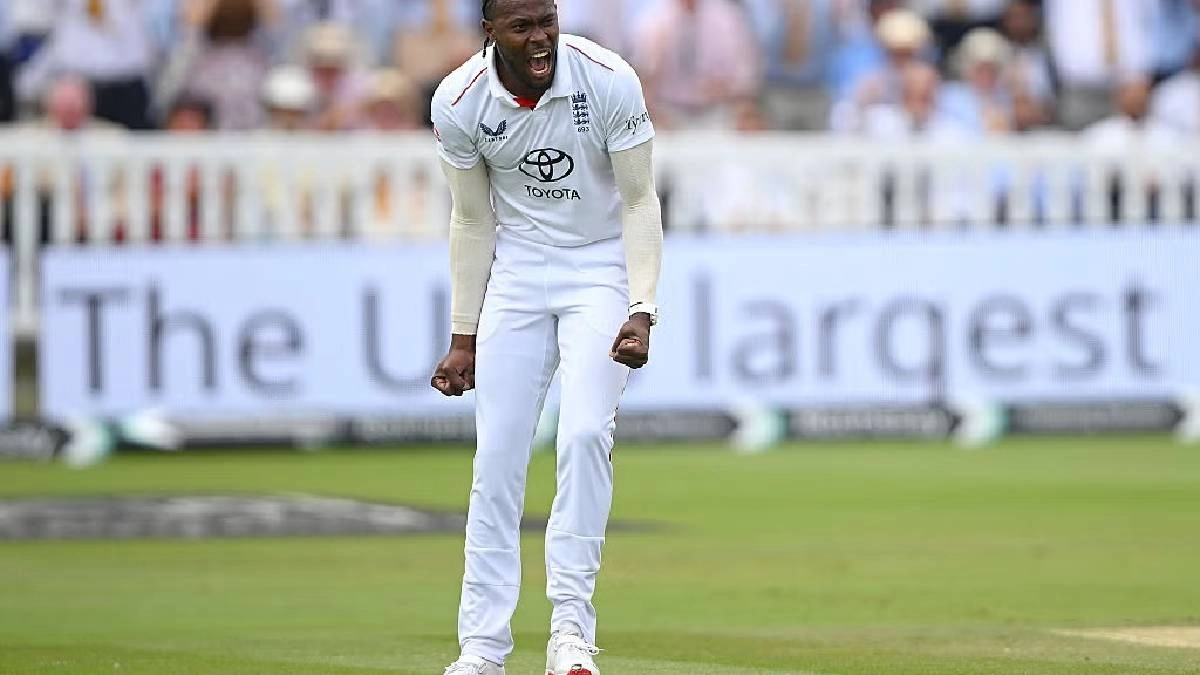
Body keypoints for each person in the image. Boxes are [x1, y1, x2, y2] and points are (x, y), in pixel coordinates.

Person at [429, 0, 663, 673]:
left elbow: (639, 199)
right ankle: (482, 648)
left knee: (585, 435)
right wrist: (463, 335)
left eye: (547, 21)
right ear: (489, 32)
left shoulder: (607, 78)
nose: (540, 39)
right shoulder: (458, 101)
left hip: (600, 266)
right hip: (519, 268)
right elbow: (472, 220)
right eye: (522, 26)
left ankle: (570, 634)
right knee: (497, 458)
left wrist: (642, 307)